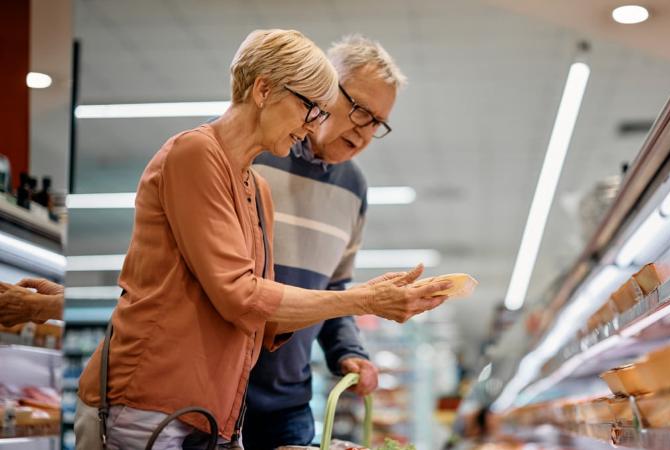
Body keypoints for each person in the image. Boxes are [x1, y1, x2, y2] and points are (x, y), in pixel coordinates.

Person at [72, 29, 451, 450]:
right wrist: (364, 300)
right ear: (264, 89)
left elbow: (265, 316)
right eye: (312, 107)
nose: (313, 124)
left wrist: (359, 324)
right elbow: (240, 295)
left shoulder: (258, 188)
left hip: (220, 407)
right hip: (155, 399)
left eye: (377, 123)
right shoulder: (196, 155)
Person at [244, 35, 407, 449]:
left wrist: (348, 351)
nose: (365, 132)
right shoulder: (254, 154)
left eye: (378, 123)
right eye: (360, 111)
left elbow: (333, 288)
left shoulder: (354, 187)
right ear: (324, 88)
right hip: (221, 390)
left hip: (290, 402)